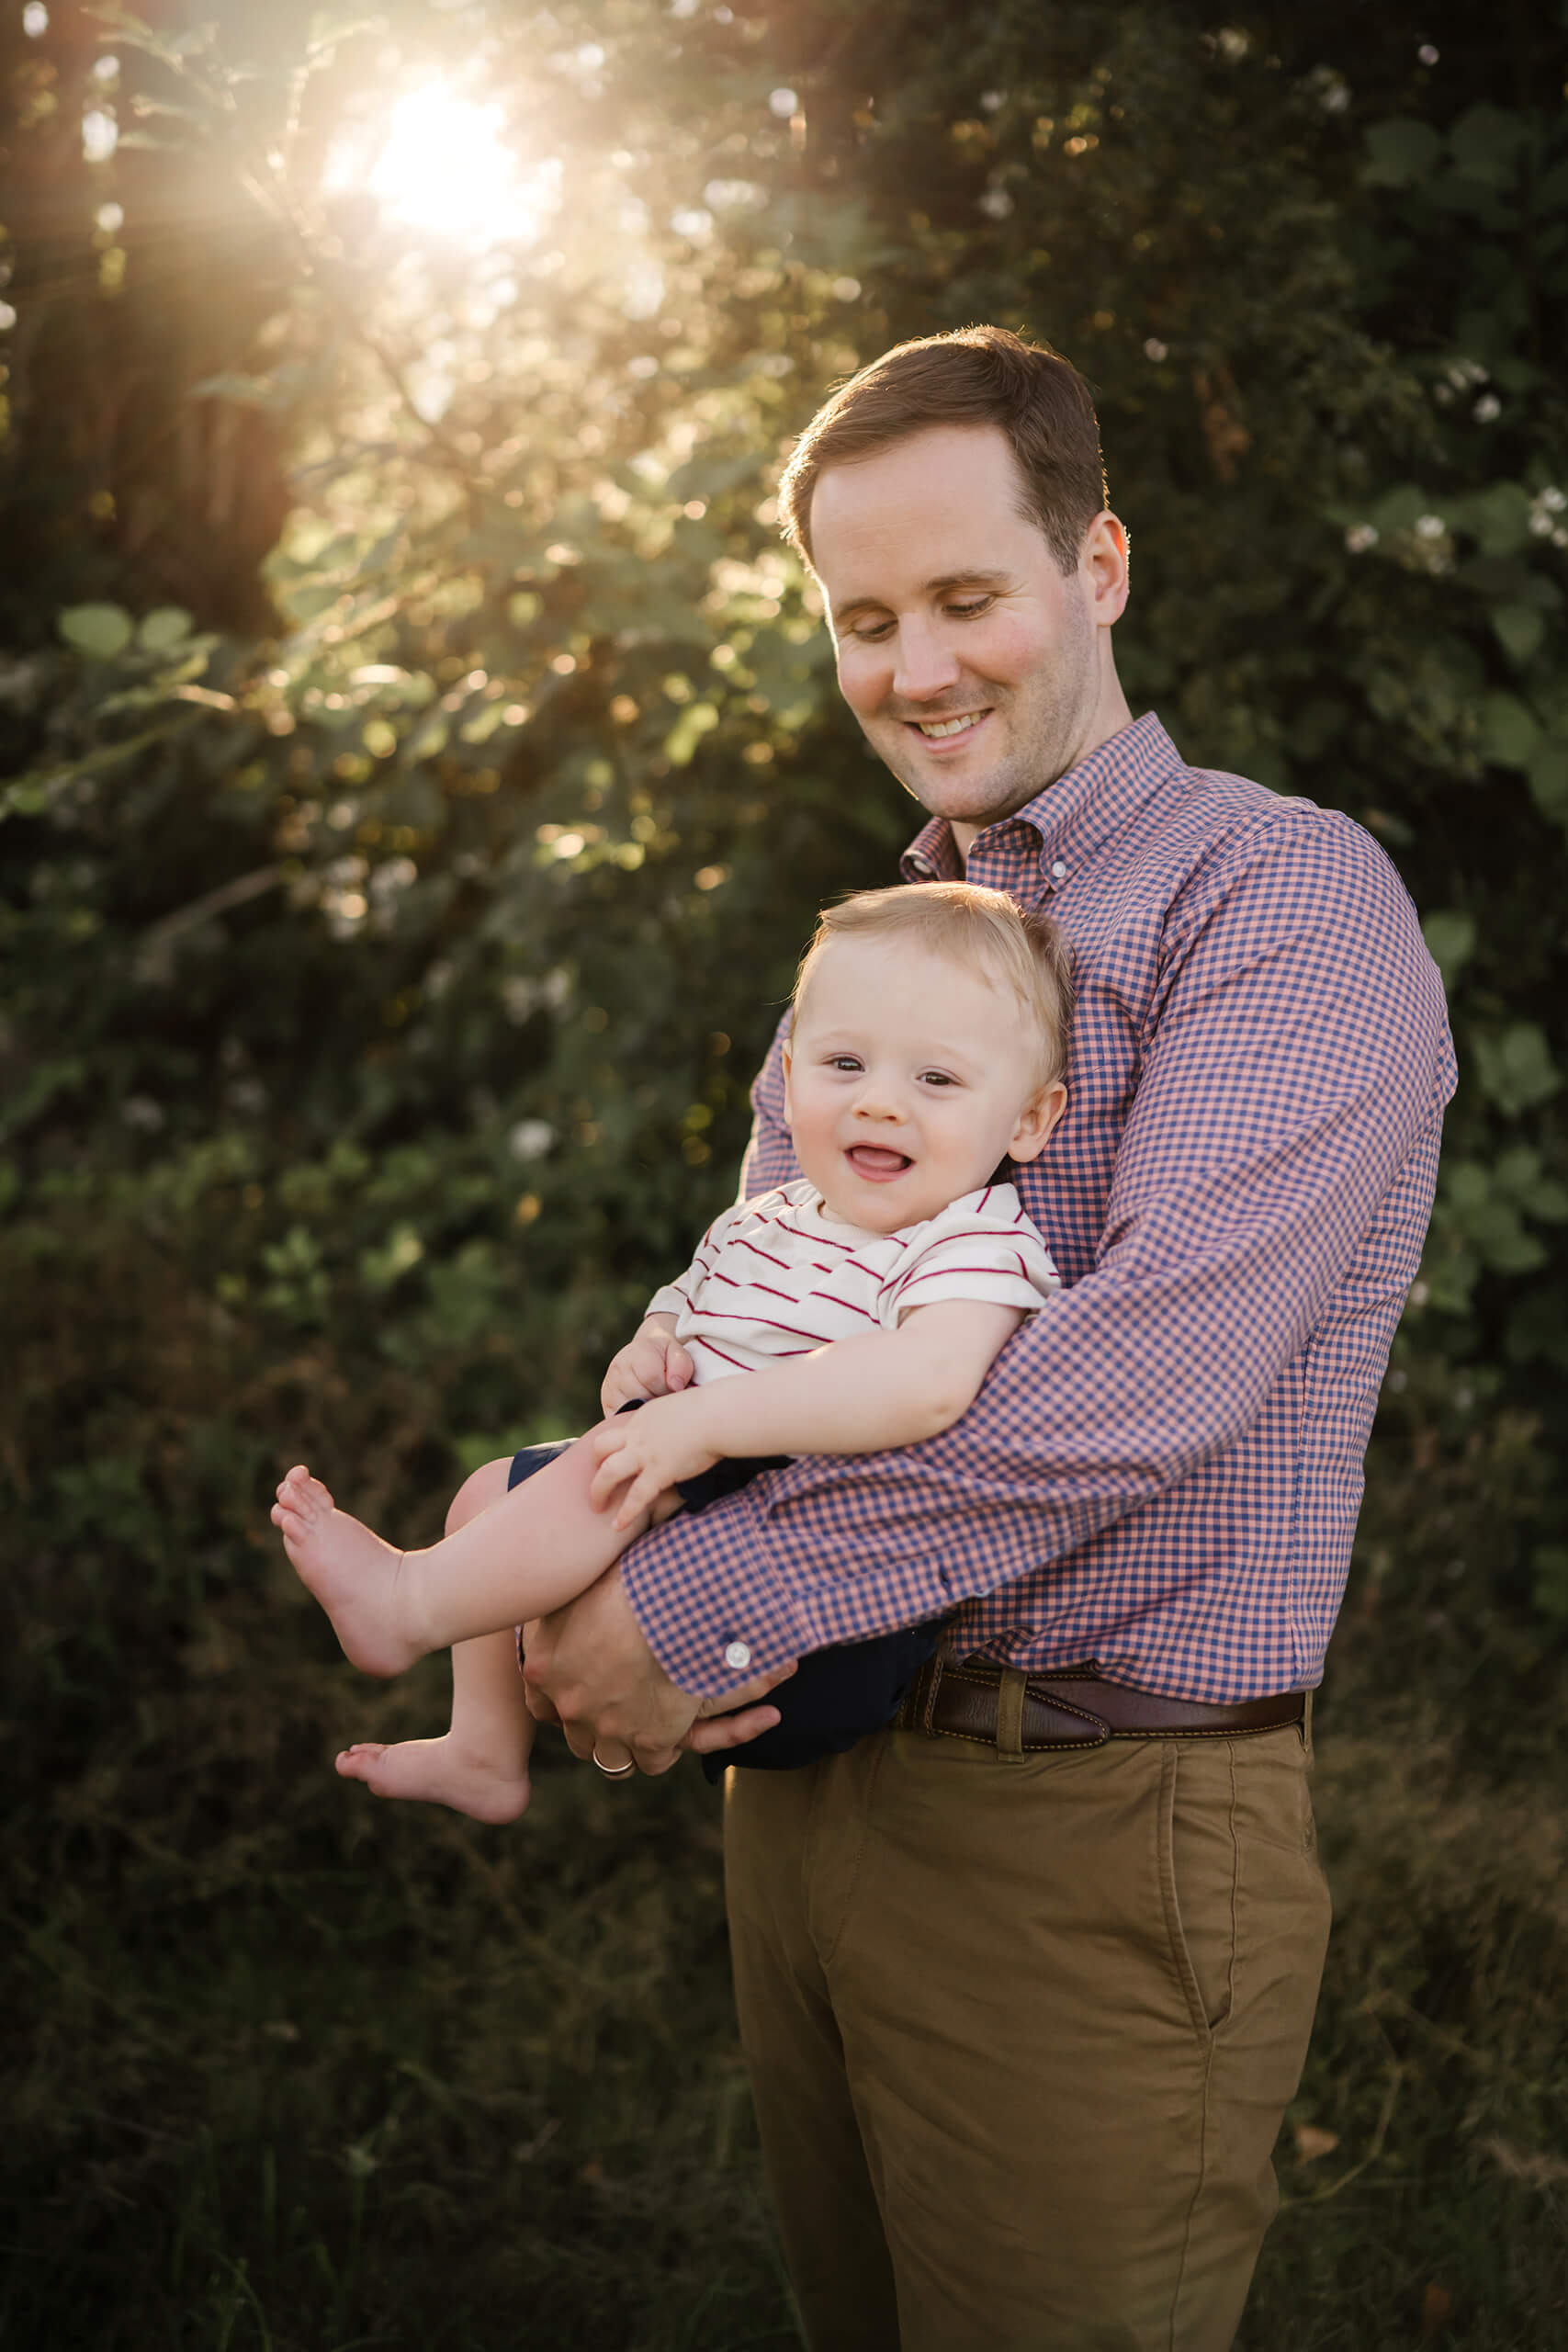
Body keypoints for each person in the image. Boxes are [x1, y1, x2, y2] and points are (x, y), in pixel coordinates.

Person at [517, 326, 1459, 2352]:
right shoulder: (881, 952)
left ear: (1095, 567)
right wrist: (620, 1457)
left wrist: (692, 1599)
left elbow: (1144, 1381)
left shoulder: (1280, 901)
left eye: (965, 596)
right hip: (810, 1777)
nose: (914, 665)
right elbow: (780, 1284)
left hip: (1094, 1827)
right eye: (864, 618)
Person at [273, 880, 1070, 1822]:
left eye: (935, 1079)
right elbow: (684, 1313)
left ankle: (404, 1605)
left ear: (1027, 1120)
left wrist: (696, 1418)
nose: (881, 1105)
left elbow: (931, 1382)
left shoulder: (974, 1235)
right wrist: (652, 1353)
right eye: (845, 1063)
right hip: (707, 1503)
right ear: (788, 1078)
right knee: (488, 1492)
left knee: (614, 1464)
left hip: (824, 1606)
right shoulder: (770, 1219)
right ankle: (484, 1751)